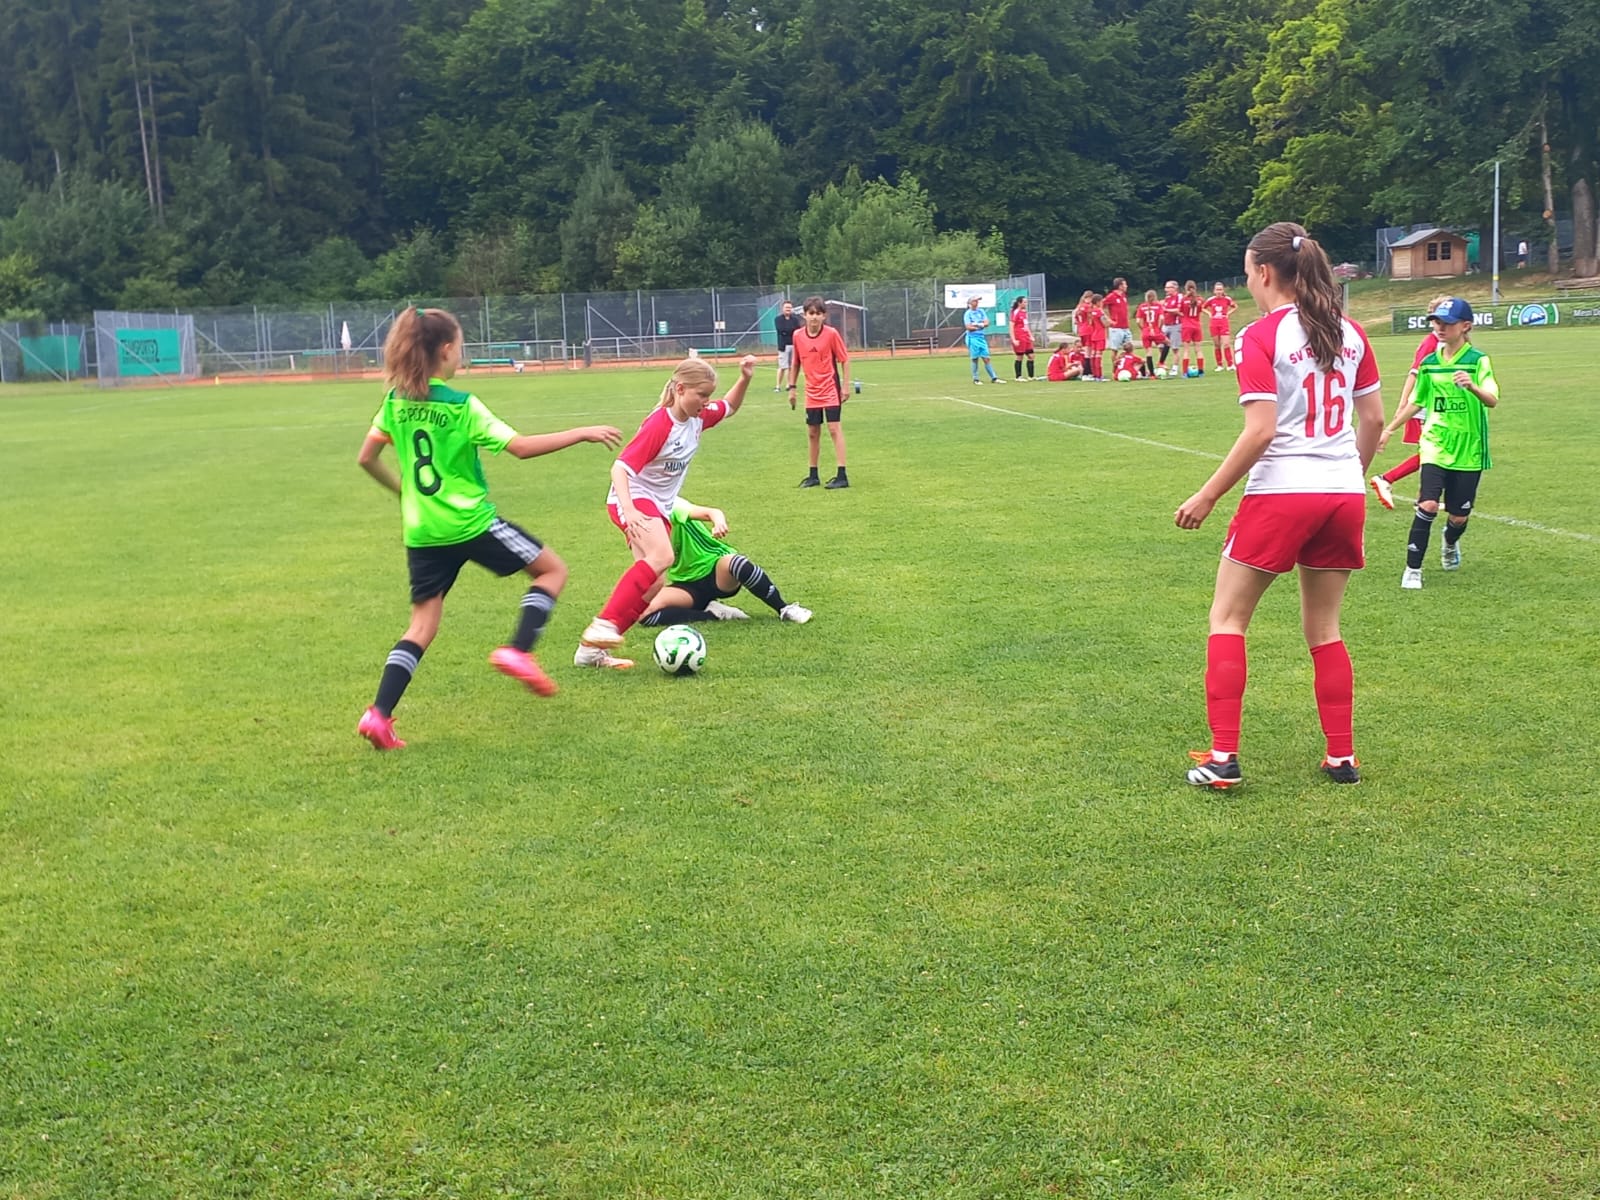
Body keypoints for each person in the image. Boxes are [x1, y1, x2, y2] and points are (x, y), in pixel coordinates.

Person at [1174, 221, 1383, 789]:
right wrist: (1348, 475)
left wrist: (1208, 494)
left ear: (1264, 272)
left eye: (1247, 273)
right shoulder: (1351, 332)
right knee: (1325, 629)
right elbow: (1373, 420)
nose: (1247, 282)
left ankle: (1223, 758)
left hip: (1283, 491)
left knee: (1227, 619)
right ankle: (1342, 757)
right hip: (1343, 492)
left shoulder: (1260, 335)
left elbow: (1261, 430)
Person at [354, 307, 622, 748]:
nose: (461, 354)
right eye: (460, 346)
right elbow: (520, 447)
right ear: (445, 351)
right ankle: (518, 650)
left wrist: (405, 493)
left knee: (421, 626)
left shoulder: (394, 403)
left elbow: (366, 458)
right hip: (469, 523)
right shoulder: (462, 406)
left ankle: (379, 715)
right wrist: (581, 432)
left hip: (422, 532)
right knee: (552, 571)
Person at [575, 354, 756, 668]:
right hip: (633, 498)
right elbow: (620, 468)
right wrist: (630, 510)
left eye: (709, 395)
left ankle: (590, 652)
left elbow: (729, 406)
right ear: (680, 389)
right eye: (701, 395)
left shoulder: (698, 416)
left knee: (655, 585)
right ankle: (603, 625)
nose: (706, 402)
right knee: (663, 556)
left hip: (659, 506)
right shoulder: (661, 423)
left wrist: (745, 378)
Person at [1378, 297, 1500, 589]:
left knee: (1458, 516)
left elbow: (1492, 400)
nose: (1439, 328)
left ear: (1465, 326)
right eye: (1436, 322)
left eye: (1447, 323)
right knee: (1429, 503)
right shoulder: (1430, 364)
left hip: (1469, 448)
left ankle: (1450, 540)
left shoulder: (1477, 361)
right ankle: (1413, 569)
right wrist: (1390, 429)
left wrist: (1472, 386)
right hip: (1435, 443)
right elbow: (1417, 401)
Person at [638, 497, 814, 627]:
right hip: (685, 585)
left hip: (715, 568)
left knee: (737, 563)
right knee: (643, 613)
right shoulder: (638, 525)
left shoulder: (669, 506)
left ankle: (784, 609)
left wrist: (718, 522)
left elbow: (712, 512)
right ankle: (713, 614)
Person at [1368, 293, 1452, 510]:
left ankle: (1423, 497)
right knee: (1432, 451)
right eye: (1438, 320)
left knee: (1433, 451)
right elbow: (1414, 374)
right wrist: (1403, 404)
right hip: (1425, 405)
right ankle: (1387, 479)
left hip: (1436, 403)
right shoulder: (1431, 344)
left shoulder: (1443, 343)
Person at [794, 296, 853, 487]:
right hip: (811, 392)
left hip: (830, 389)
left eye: (818, 313)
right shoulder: (797, 336)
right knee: (812, 432)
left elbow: (845, 360)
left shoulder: (831, 334)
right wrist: (792, 388)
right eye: (811, 313)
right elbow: (795, 362)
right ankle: (813, 475)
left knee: (834, 429)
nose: (814, 317)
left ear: (824, 316)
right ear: (804, 315)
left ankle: (842, 475)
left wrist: (845, 386)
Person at [964, 295, 1003, 386]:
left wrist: (977, 325)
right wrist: (980, 325)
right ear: (970, 303)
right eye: (975, 301)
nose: (977, 303)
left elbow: (987, 323)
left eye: (977, 301)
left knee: (986, 358)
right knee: (975, 359)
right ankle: (976, 379)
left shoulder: (981, 311)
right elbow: (968, 327)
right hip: (972, 338)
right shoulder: (968, 313)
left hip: (981, 338)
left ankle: (994, 378)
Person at [1202, 282, 1239, 371]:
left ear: (1223, 291)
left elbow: (1235, 306)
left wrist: (1228, 313)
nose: (1219, 291)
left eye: (1220, 290)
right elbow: (1202, 307)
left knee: (1226, 343)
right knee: (1217, 345)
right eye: (1217, 290)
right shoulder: (1211, 300)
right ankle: (1219, 365)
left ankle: (1230, 364)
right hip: (1214, 323)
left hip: (1223, 323)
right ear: (1214, 291)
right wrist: (1209, 313)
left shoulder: (1227, 299)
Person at [774, 299, 804, 394]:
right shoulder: (778, 319)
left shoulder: (795, 319)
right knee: (782, 366)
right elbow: (781, 330)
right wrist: (790, 331)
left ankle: (789, 384)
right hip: (783, 346)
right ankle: (778, 386)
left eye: (790, 308)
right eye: (786, 307)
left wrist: (789, 331)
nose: (788, 309)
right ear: (782, 308)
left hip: (793, 345)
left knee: (792, 366)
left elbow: (797, 330)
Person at [1136, 288, 1165, 378]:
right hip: (1155, 330)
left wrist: (1143, 329)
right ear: (1155, 297)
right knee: (1167, 343)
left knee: (1149, 352)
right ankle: (1161, 362)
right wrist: (1159, 328)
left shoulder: (1142, 306)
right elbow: (1162, 318)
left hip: (1146, 331)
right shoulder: (1158, 306)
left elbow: (1138, 321)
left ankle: (1152, 375)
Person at [1179, 280, 1205, 375]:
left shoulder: (1184, 299)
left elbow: (1180, 311)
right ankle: (1201, 371)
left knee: (1186, 350)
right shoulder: (1200, 299)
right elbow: (1201, 310)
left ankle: (1185, 372)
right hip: (1197, 325)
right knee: (1198, 349)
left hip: (1186, 326)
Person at [1104, 277, 1133, 359]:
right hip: (1116, 328)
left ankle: (1126, 364)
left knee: (1129, 348)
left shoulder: (1123, 296)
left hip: (1125, 327)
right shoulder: (1111, 296)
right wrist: (1108, 319)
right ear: (1120, 286)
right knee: (1115, 350)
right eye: (1125, 284)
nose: (1126, 286)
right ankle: (1115, 366)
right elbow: (1100, 306)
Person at [1008, 295, 1036, 380]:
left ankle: (1031, 376)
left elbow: (1026, 325)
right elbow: (1011, 326)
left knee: (1031, 355)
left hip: (1026, 337)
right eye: (1024, 302)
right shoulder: (1015, 312)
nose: (1026, 304)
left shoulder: (1024, 312)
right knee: (1020, 356)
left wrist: (1030, 336)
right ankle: (1018, 376)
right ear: (1019, 303)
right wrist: (1013, 339)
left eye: (1026, 302)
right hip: (1019, 336)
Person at [1159, 280, 1183, 375]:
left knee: (1175, 348)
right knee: (1161, 346)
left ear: (1175, 288)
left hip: (1175, 325)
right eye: (1166, 287)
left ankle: (1175, 368)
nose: (1166, 289)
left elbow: (1179, 310)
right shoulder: (1167, 298)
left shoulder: (1179, 297)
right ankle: (1162, 365)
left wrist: (1166, 309)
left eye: (1169, 287)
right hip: (1165, 325)